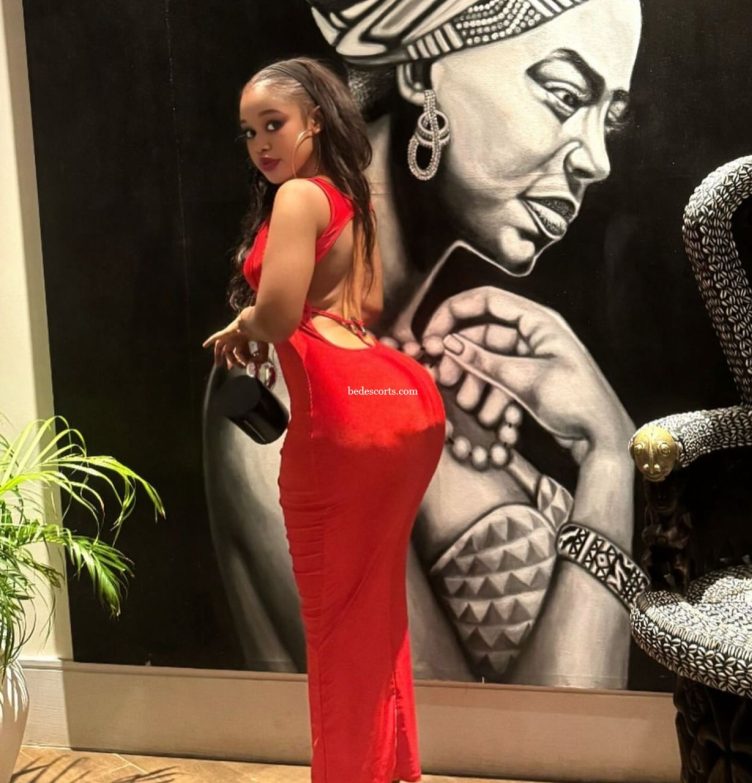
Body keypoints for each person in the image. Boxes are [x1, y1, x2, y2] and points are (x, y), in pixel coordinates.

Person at [202, 0, 643, 690]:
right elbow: (468, 732)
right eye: (564, 94)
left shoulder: (436, 360)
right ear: (422, 72)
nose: (597, 159)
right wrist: (610, 458)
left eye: (607, 119)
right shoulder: (287, 384)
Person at [202, 57, 445, 783]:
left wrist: (244, 321)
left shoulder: (299, 197)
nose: (260, 144)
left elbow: (280, 315)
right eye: (249, 132)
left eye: (272, 124)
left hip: (339, 420)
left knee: (338, 632)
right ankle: (389, 768)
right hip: (401, 405)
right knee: (376, 613)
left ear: (313, 120)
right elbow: (363, 307)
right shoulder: (350, 198)